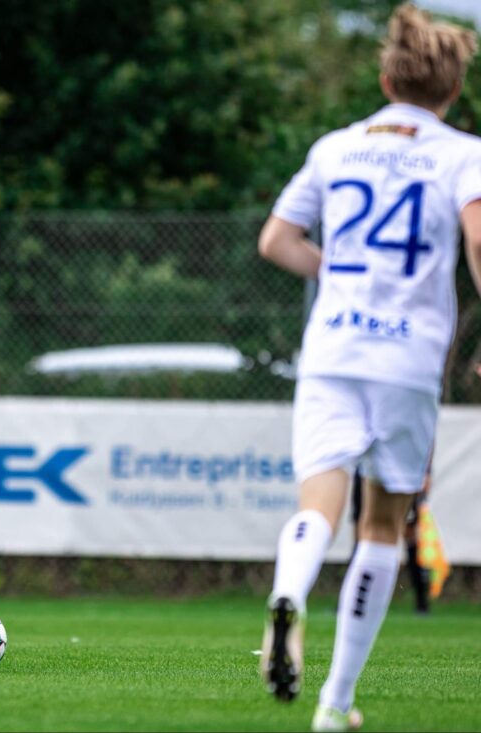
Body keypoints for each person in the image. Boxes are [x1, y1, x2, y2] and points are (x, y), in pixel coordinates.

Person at [256, 4, 481, 730]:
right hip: (407, 358)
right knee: (383, 526)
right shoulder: (463, 154)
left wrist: (337, 273)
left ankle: (289, 591)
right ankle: (335, 702)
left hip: (332, 349)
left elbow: (277, 240)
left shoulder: (336, 148)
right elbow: (479, 237)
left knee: (316, 505)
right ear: (454, 90)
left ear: (386, 80)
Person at [348, 467, 430, 615]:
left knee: (408, 533)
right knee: (362, 534)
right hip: (366, 470)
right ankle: (352, 601)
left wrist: (427, 471)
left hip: (402, 470)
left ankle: (421, 601)